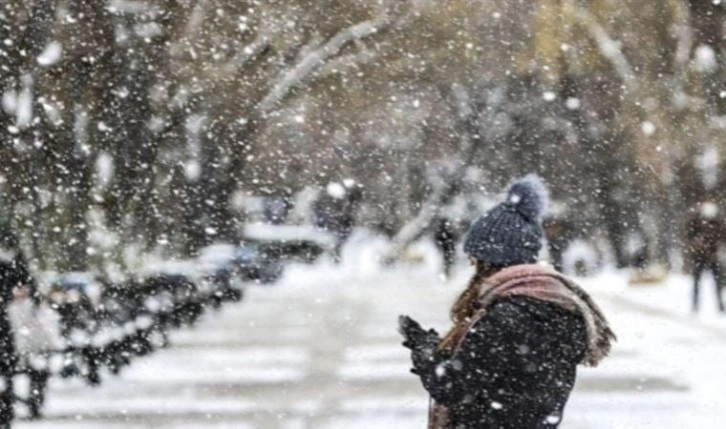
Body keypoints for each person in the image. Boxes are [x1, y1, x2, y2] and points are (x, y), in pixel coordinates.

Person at [399, 175, 615, 429]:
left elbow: (453, 386)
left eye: (476, 259)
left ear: (491, 260)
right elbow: (500, 373)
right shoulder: (558, 307)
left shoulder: (505, 318)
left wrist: (424, 351)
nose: (473, 266)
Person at [0, 230, 36, 427]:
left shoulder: (8, 265)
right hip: (3, 322)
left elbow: (25, 283)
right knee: (7, 365)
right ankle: (6, 404)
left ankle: (6, 405)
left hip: (3, 322)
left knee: (7, 364)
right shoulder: (9, 265)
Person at [685, 200, 726, 313]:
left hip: (713, 256)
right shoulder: (695, 219)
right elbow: (689, 234)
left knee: (718, 283)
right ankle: (695, 305)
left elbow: (723, 236)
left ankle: (720, 306)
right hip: (699, 256)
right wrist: (695, 243)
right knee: (697, 282)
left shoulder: (718, 221)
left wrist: (718, 246)